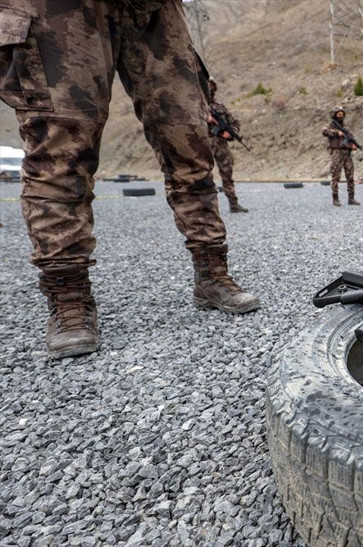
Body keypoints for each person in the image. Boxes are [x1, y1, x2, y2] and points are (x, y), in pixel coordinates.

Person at [0, 0, 260, 359]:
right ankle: (69, 295)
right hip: (60, 10)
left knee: (189, 143)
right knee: (60, 150)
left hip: (155, 8)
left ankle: (211, 272)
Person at [206, 78, 248, 212]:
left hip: (220, 145)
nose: (209, 88)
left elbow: (234, 123)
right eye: (207, 86)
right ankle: (207, 207)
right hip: (203, 144)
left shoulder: (220, 107)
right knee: (203, 175)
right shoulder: (196, 108)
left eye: (211, 86)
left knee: (227, 173)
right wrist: (204, 117)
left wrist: (230, 133)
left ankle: (233, 203)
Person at [322, 106, 360, 206]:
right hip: (336, 153)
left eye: (342, 114)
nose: (341, 116)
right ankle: (335, 199)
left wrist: (353, 146)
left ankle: (351, 198)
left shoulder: (346, 129)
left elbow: (350, 140)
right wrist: (336, 132)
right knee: (335, 176)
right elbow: (324, 131)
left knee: (350, 176)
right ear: (334, 115)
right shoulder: (330, 127)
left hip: (347, 154)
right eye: (339, 114)